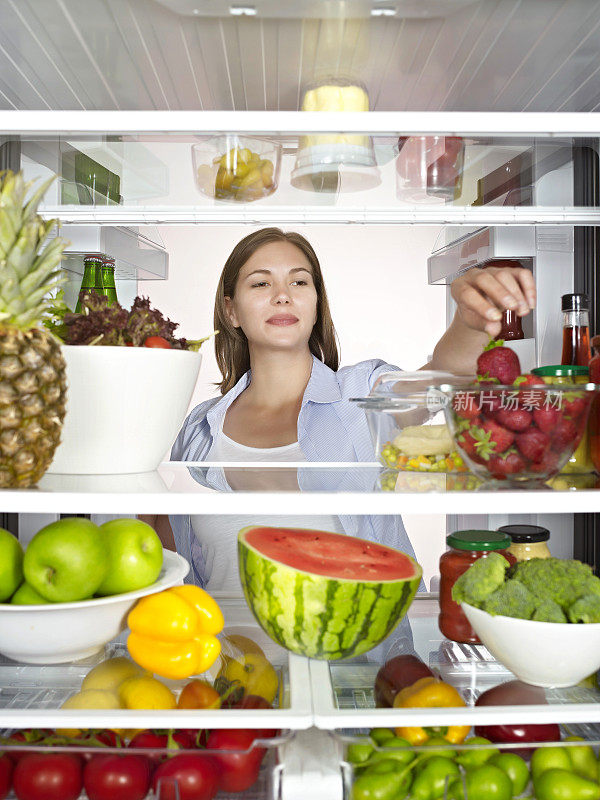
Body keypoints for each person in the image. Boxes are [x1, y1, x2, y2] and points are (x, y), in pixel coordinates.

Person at [144, 227, 536, 592]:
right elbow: (170, 551)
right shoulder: (200, 429)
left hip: (358, 666)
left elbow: (442, 376)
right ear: (231, 311)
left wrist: (469, 321)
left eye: (299, 281)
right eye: (261, 283)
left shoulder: (362, 394)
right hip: (223, 661)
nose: (283, 295)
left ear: (316, 303)